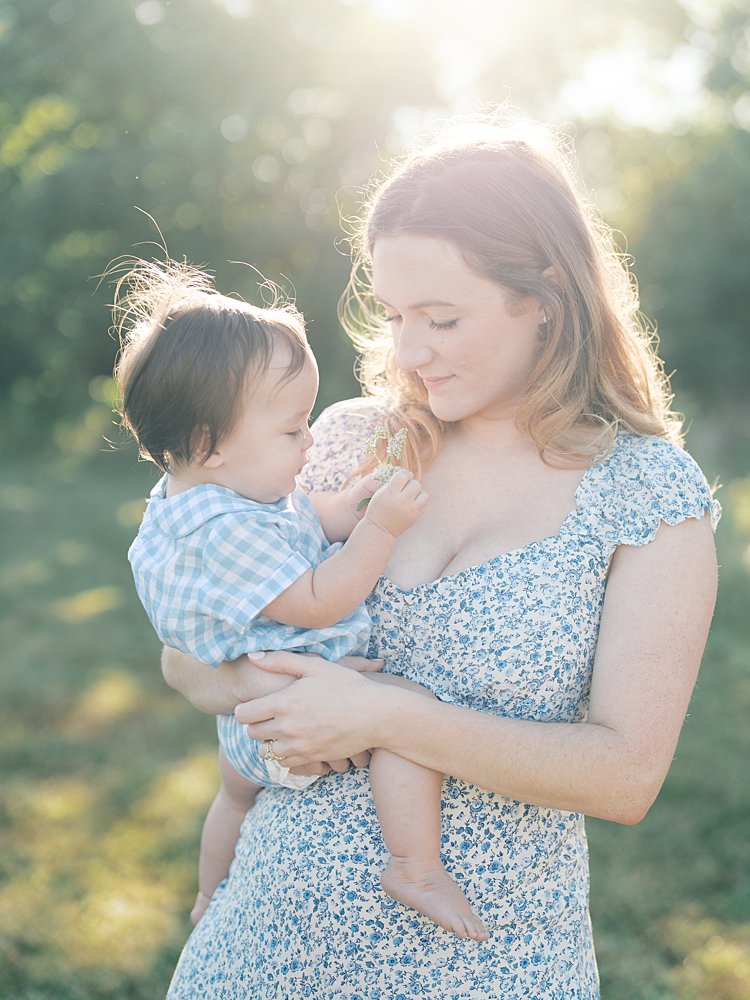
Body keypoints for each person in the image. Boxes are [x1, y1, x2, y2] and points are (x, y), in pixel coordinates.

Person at [161, 110, 720, 998]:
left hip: (486, 964)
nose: (409, 352)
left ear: (544, 294)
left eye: (443, 318)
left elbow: (626, 777)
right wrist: (258, 688)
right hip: (263, 947)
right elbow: (188, 649)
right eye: (394, 315)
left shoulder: (647, 496)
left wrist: (382, 715)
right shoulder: (346, 444)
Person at [114, 260, 488, 937]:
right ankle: (414, 866)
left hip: (249, 717)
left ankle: (206, 899)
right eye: (292, 431)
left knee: (232, 797)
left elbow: (298, 514)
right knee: (411, 719)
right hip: (293, 714)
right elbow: (317, 598)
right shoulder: (226, 531)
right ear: (208, 444)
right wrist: (378, 528)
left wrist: (346, 503)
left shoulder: (204, 494)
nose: (310, 441)